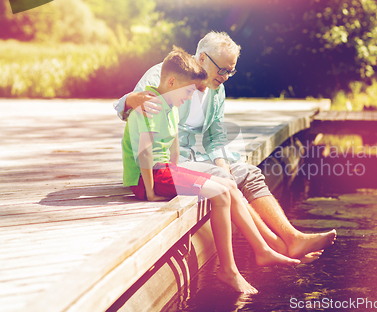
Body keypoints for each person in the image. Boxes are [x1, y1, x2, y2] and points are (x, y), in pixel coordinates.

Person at [115, 31, 336, 261]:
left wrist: (224, 167)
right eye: (223, 69)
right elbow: (132, 113)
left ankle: (292, 238)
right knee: (227, 183)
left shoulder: (217, 89)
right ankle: (276, 246)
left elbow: (216, 136)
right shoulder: (166, 74)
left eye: (231, 70)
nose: (227, 76)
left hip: (193, 157)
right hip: (166, 164)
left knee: (249, 173)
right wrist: (131, 100)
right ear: (202, 58)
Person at [122, 47, 300, 293]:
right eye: (187, 92)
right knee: (220, 193)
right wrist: (151, 193)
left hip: (166, 171)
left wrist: (182, 174)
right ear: (172, 81)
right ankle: (229, 270)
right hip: (148, 178)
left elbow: (172, 145)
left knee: (227, 185)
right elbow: (145, 153)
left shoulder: (170, 104)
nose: (189, 97)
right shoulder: (150, 106)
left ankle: (256, 254)